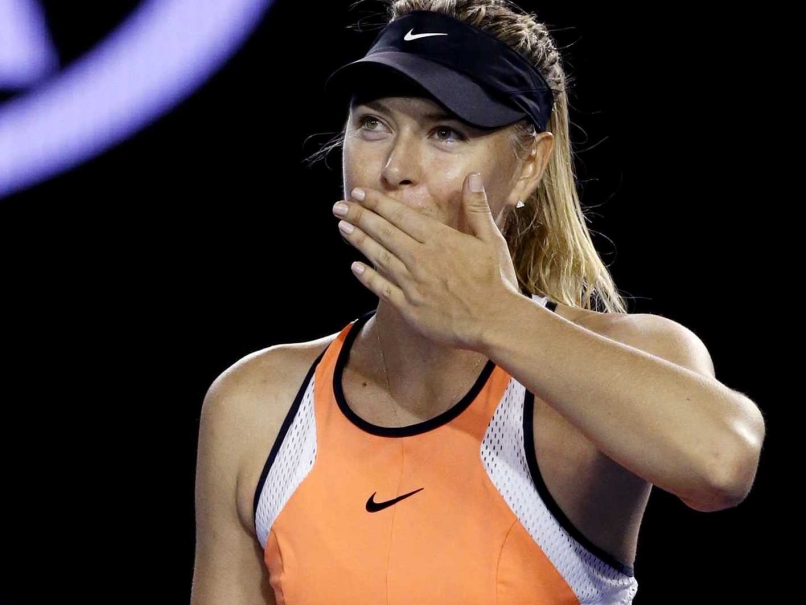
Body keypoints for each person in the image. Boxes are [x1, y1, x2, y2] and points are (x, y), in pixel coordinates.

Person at [190, 1, 766, 603]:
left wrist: (491, 313)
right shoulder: (255, 405)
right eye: (373, 124)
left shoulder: (635, 353)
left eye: (446, 133)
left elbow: (722, 464)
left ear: (528, 168)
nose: (393, 169)